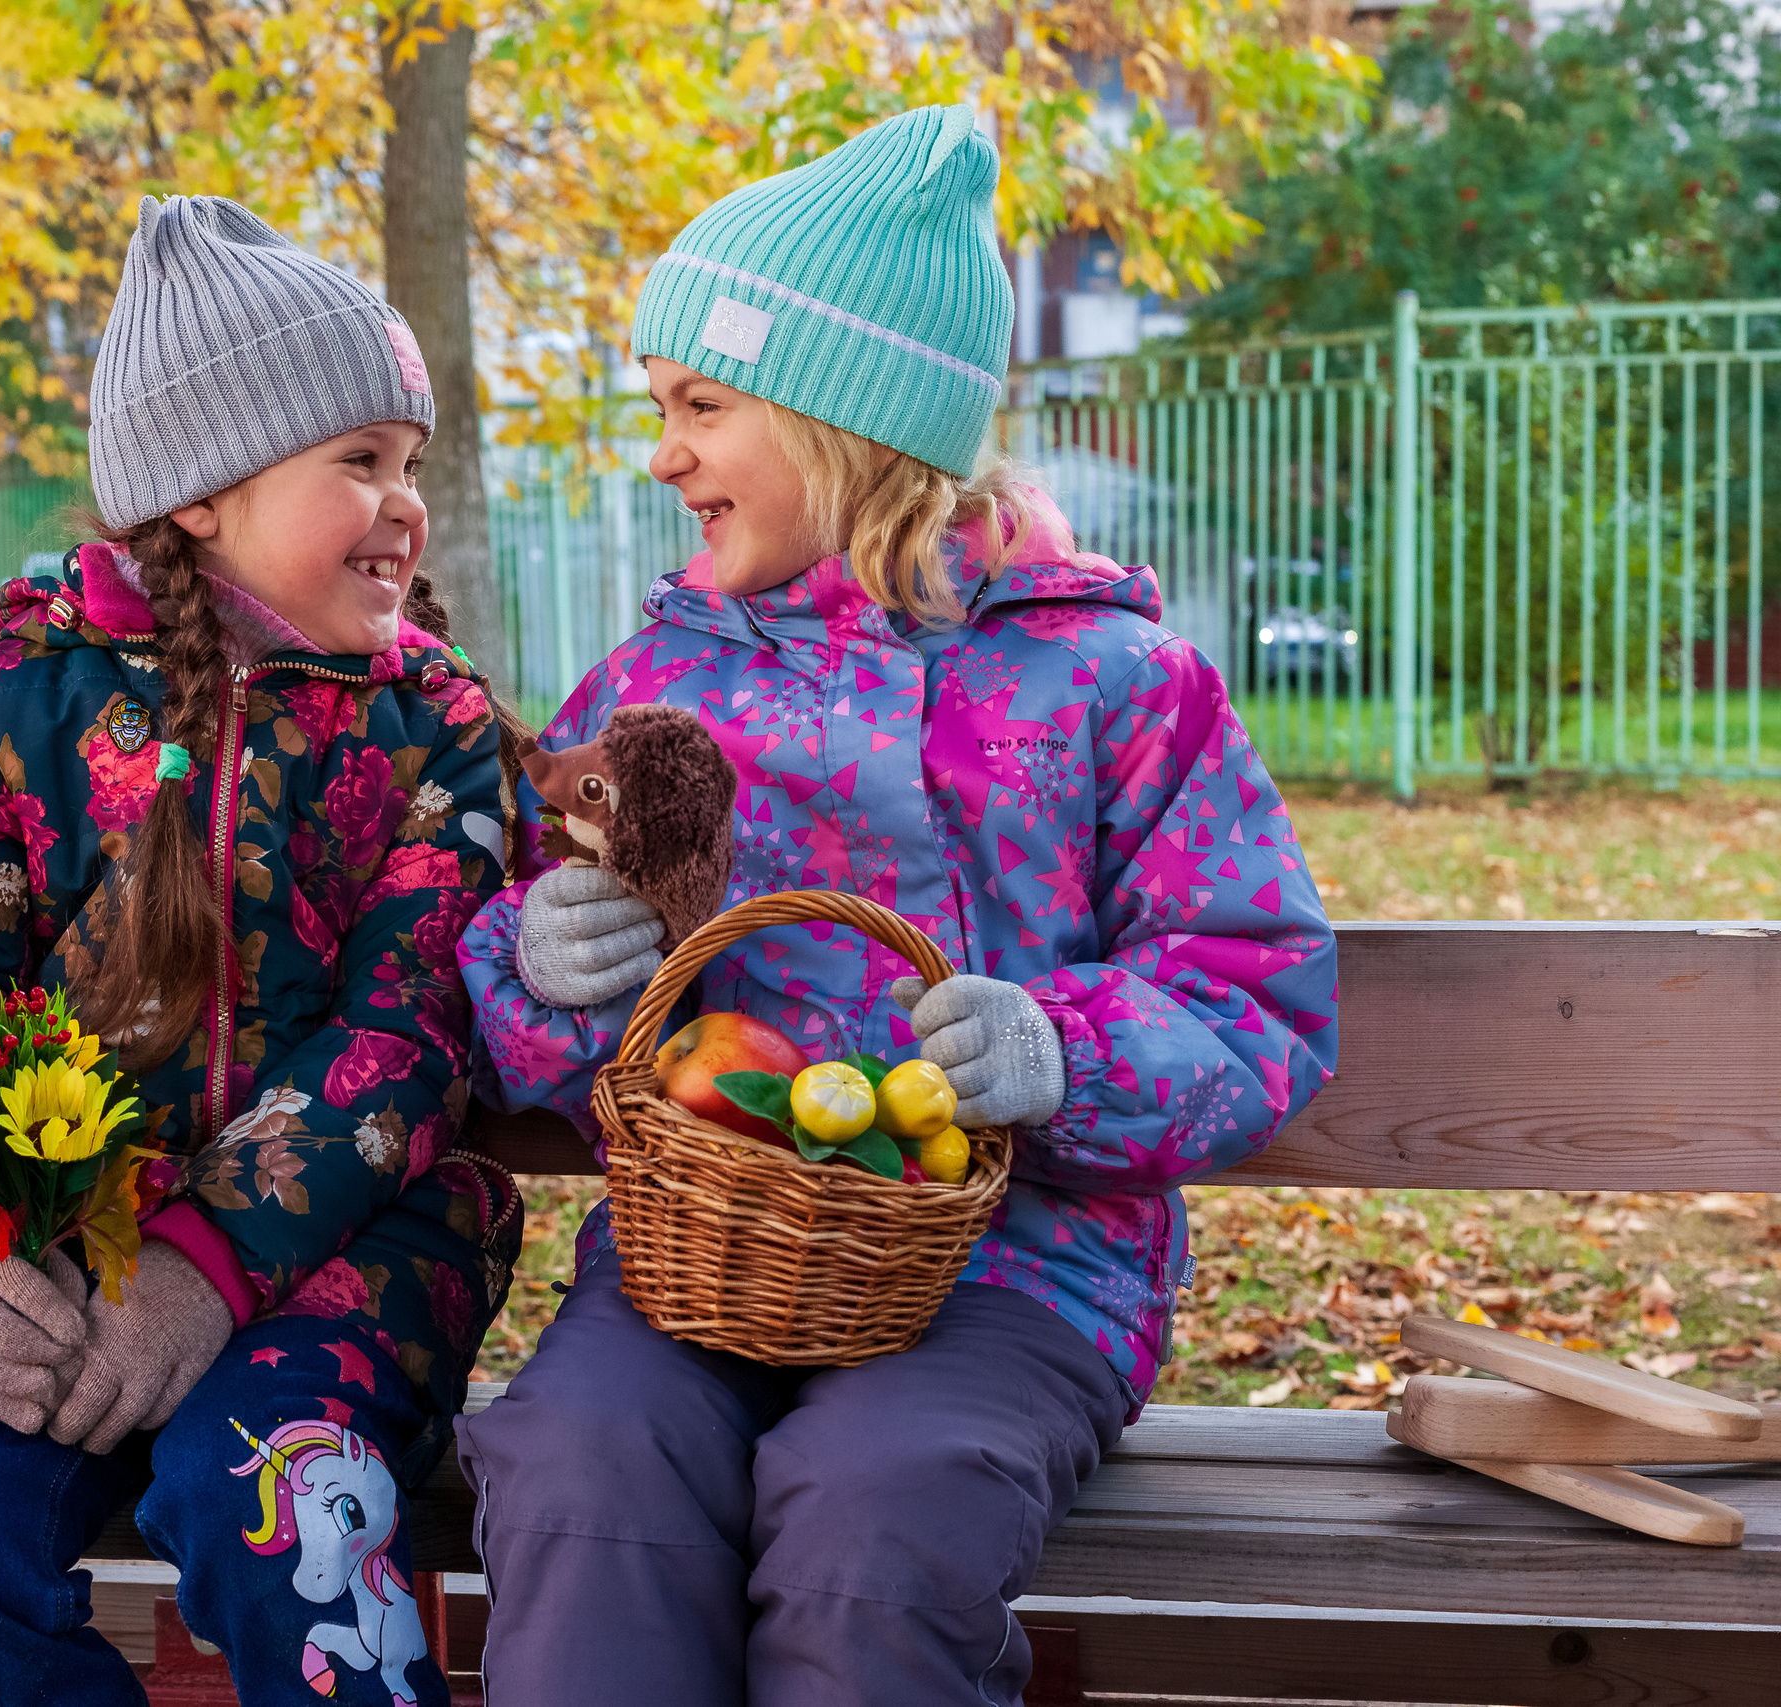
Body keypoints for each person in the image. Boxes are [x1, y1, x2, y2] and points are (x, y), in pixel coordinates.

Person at [455, 105, 1338, 1707]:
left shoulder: (1115, 683)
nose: (665, 456)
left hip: (1019, 1273)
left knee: (872, 1521)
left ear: (843, 424)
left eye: (703, 407)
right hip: (697, 1257)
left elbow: (1255, 996)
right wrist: (539, 969)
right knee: (581, 1474)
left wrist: (1062, 1050)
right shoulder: (657, 687)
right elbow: (533, 960)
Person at [0, 193, 522, 1707]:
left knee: (275, 1506)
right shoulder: (15, 711)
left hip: (352, 1254)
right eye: (359, 461)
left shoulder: (435, 730)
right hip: (49, 1261)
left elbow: (410, 1035)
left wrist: (209, 1263)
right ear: (203, 492)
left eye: (409, 463)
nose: (406, 502)